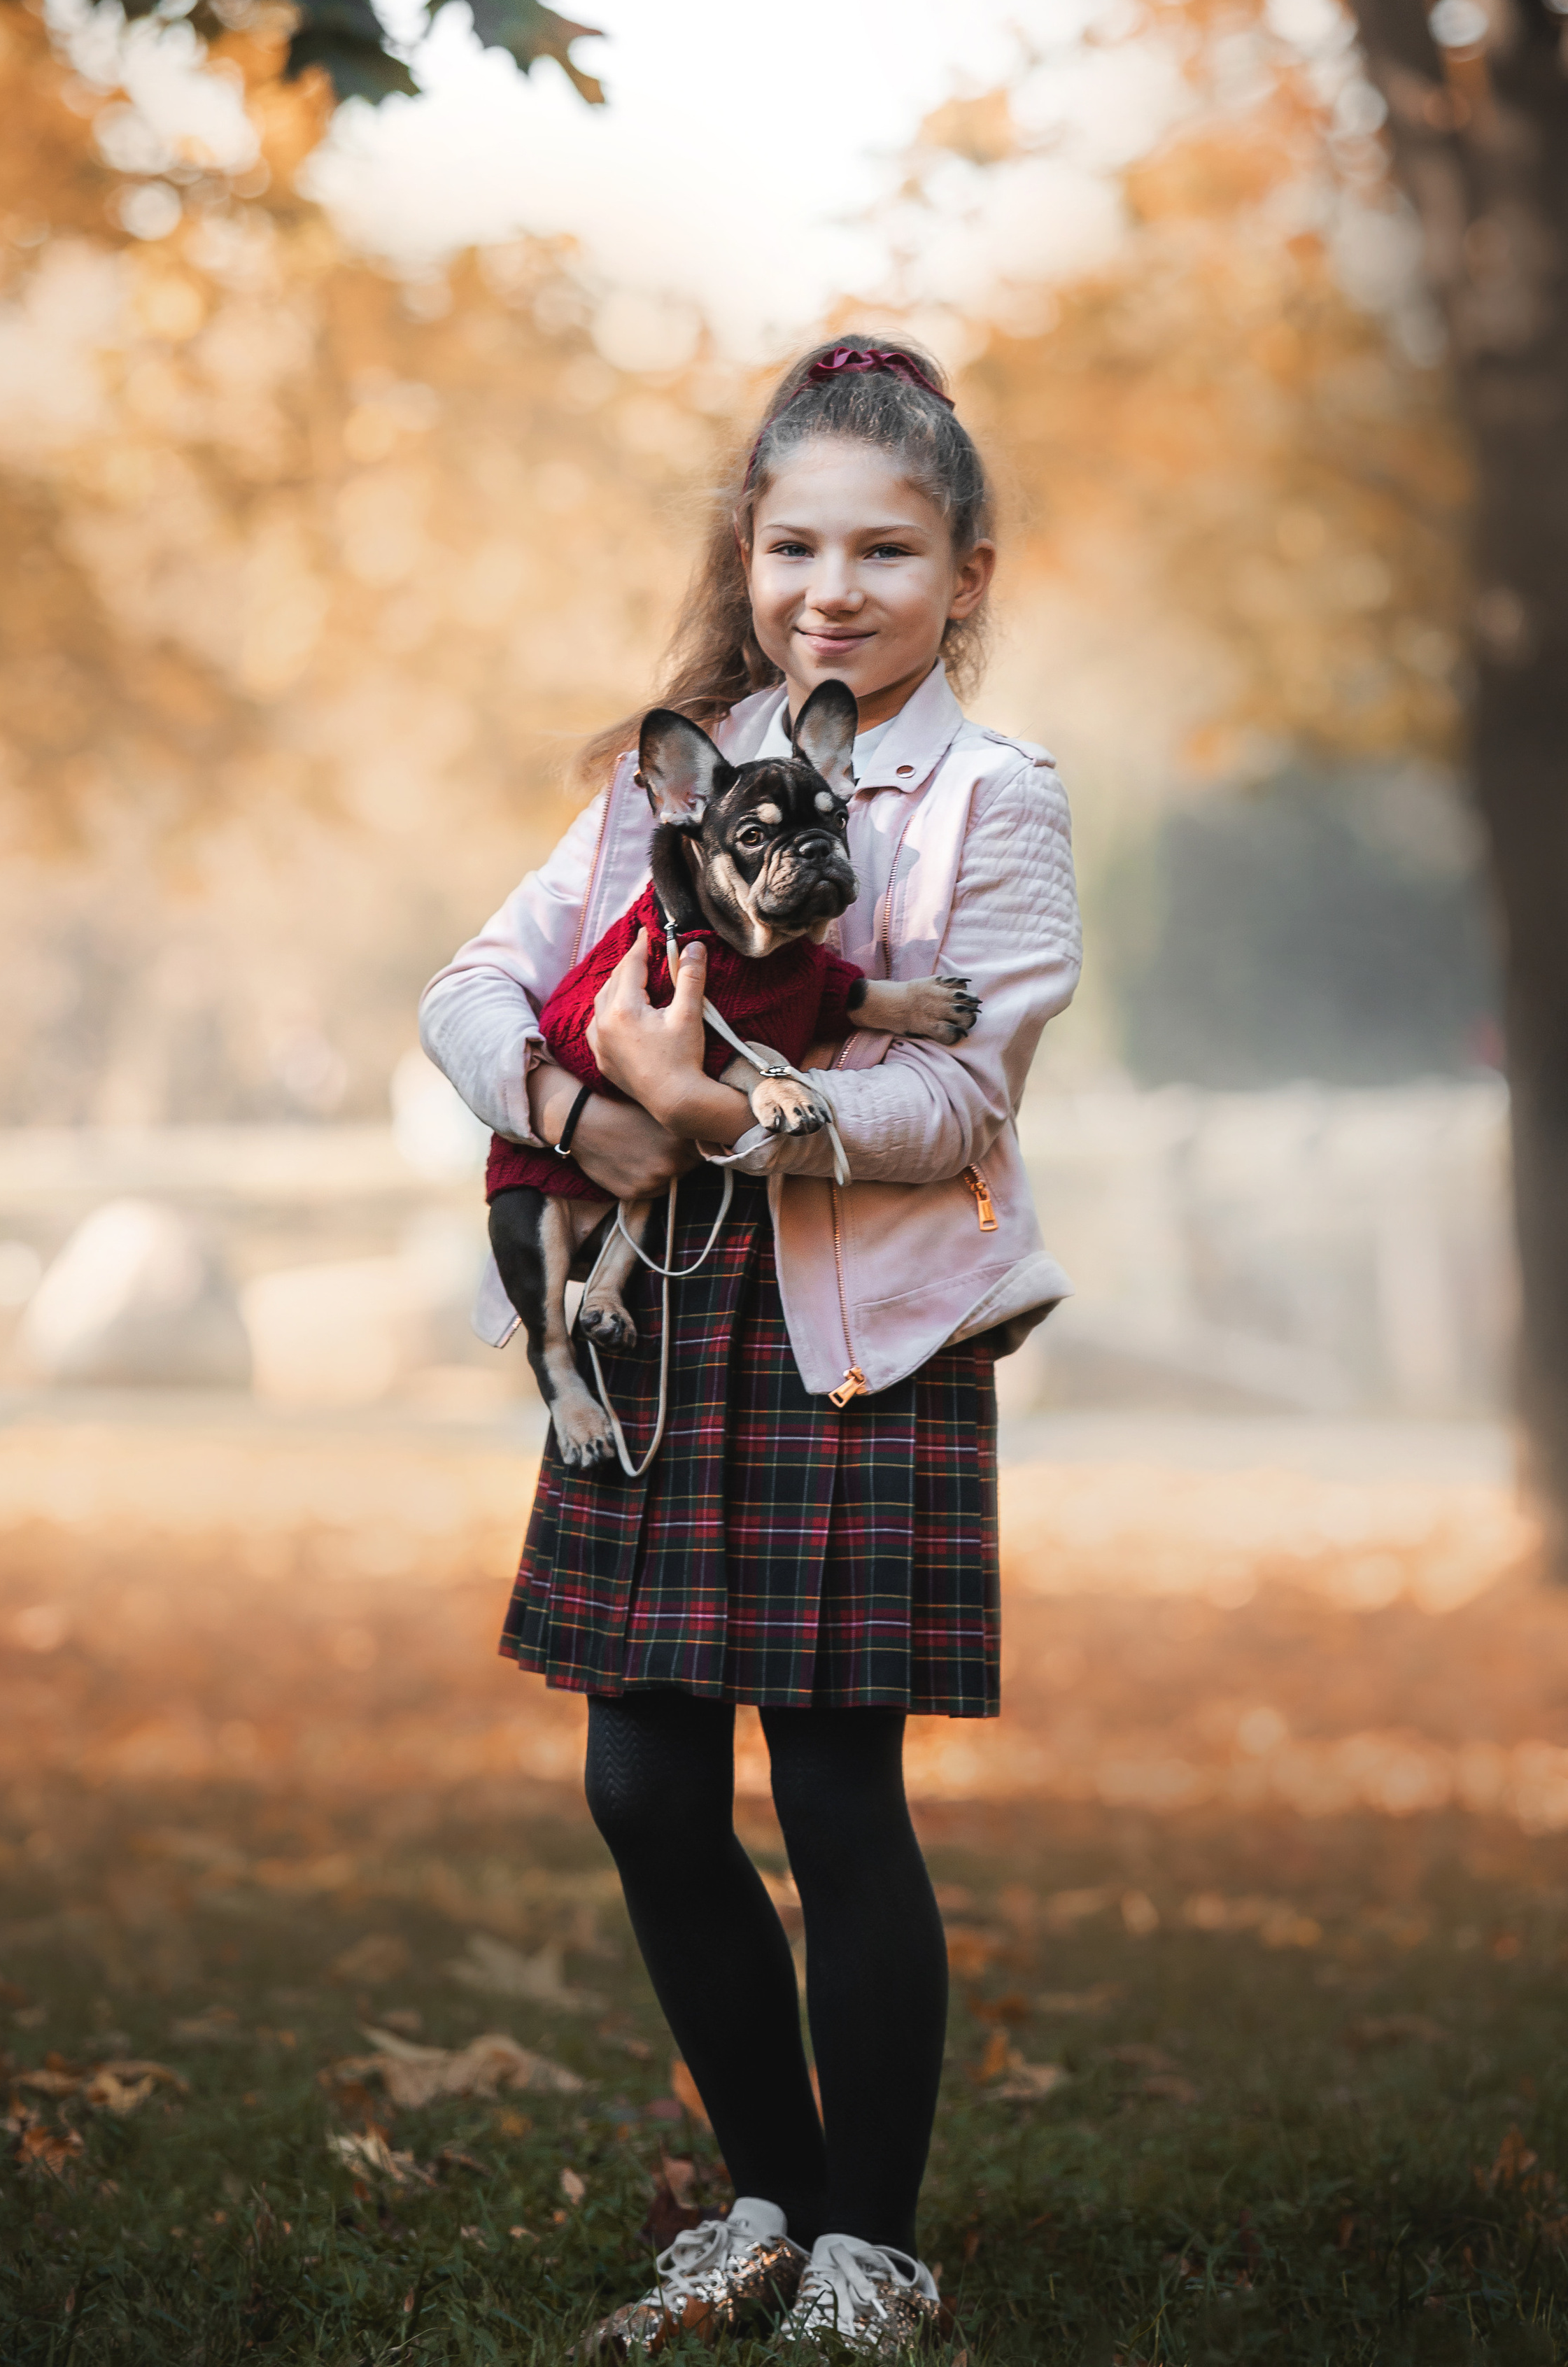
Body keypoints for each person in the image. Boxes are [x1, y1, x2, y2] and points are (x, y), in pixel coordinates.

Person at [420, 334, 1080, 2357]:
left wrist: (726, 1112)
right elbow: (474, 988)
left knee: (835, 1799)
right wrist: (576, 1109)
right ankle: (770, 2200)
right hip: (654, 1329)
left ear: (965, 573)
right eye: (796, 546)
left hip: (849, 1342)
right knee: (641, 1789)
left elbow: (958, 1099)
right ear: (748, 552)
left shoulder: (992, 799)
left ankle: (873, 2242)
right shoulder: (671, 771)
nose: (833, 589)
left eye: (887, 551)